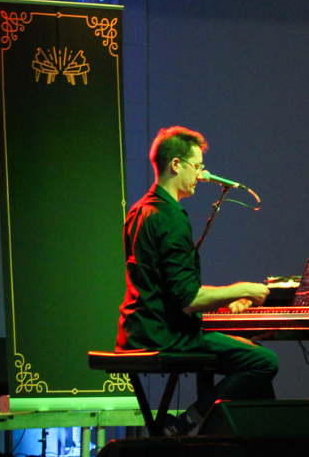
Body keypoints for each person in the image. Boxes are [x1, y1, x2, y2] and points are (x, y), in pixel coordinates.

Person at [116, 126, 278, 436]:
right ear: (176, 164)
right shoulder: (171, 217)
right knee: (263, 361)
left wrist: (223, 300)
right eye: (197, 165)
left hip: (137, 331)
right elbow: (188, 300)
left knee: (247, 349)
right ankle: (189, 422)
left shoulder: (139, 210)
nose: (201, 174)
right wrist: (244, 289)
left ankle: (234, 439)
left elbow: (168, 287)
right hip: (165, 337)